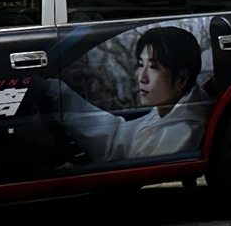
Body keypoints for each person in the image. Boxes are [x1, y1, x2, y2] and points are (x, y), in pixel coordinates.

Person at [40, 26, 209, 162]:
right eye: (141, 64)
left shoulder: (181, 132)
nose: (141, 77)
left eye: (153, 67)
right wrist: (55, 91)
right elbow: (118, 137)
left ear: (181, 79)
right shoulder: (168, 111)